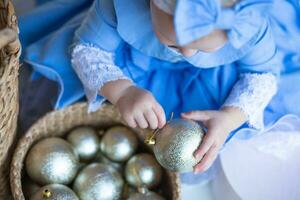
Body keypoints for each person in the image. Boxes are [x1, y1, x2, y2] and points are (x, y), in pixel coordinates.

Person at [19, 0, 300, 184]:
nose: (188, 53)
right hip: (132, 62)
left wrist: (228, 118)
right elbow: (87, 50)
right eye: (177, 44)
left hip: (207, 79)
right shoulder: (120, 5)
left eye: (202, 48)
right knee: (79, 104)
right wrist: (122, 91)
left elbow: (261, 74)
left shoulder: (249, 28)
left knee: (192, 148)